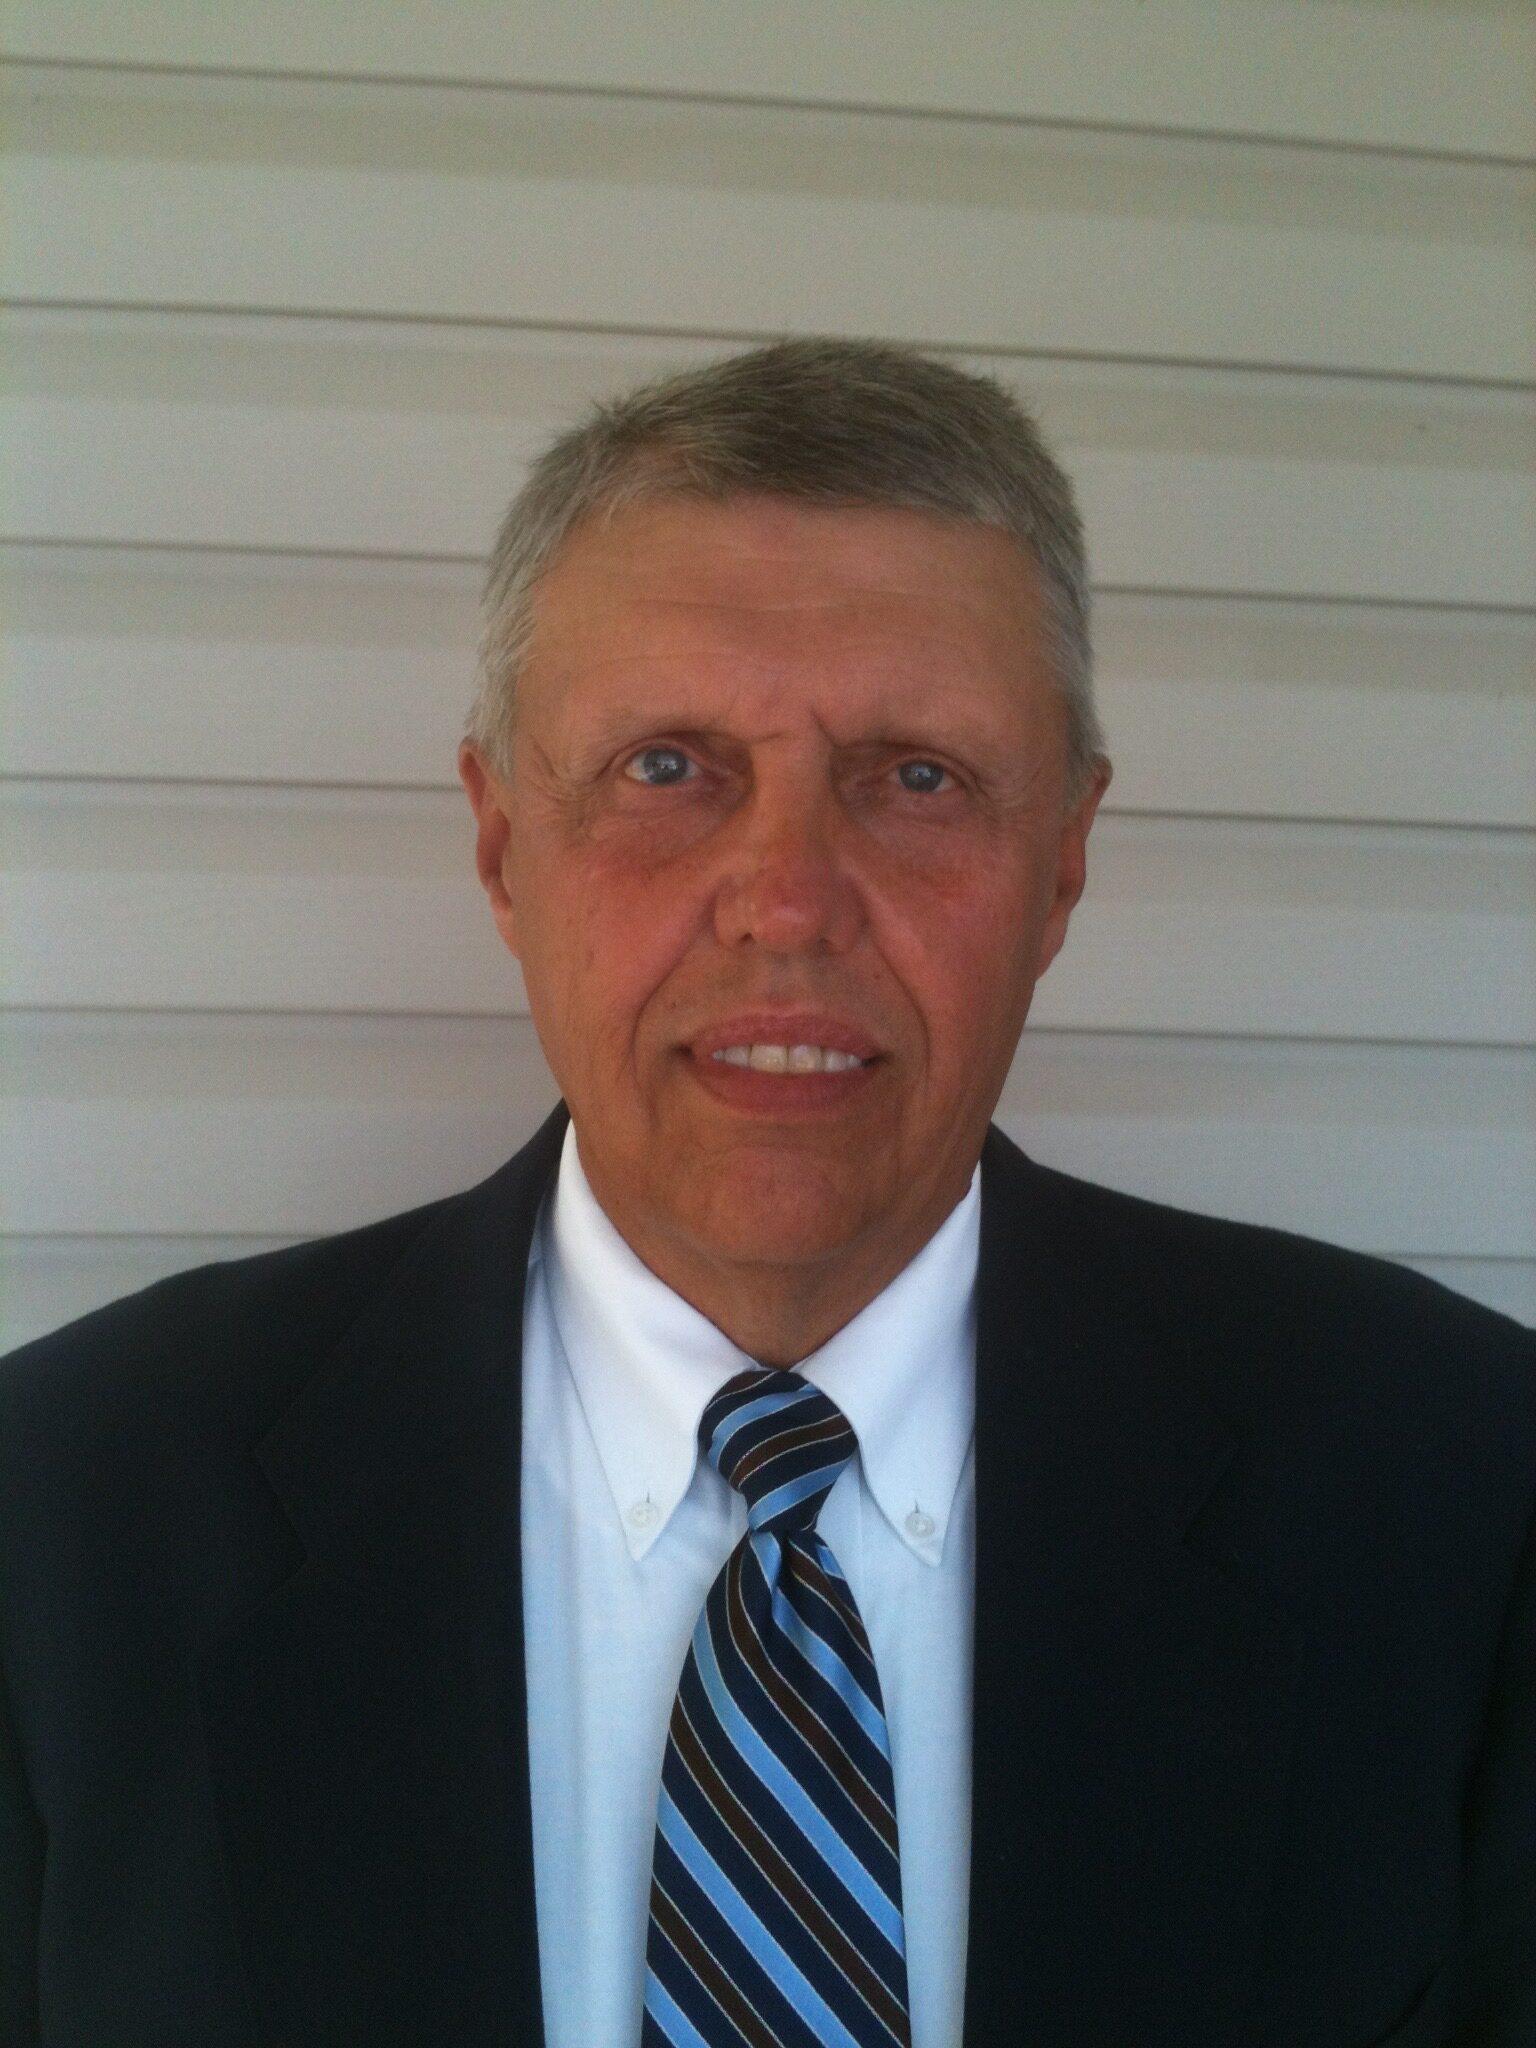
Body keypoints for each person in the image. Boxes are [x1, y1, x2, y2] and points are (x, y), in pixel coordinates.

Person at [0, 337, 1531, 2048]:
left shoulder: (1463, 1493)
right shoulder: (63, 1512)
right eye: (669, 767)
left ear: (1065, 863)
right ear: (504, 844)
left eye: (918, 777)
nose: (787, 900)